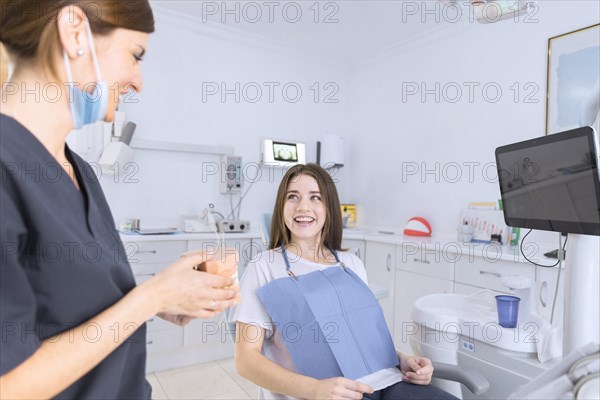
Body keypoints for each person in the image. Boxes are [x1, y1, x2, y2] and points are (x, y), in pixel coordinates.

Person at [0, 1, 239, 398]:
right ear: (75, 34)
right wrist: (152, 297)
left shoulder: (79, 171)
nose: (138, 81)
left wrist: (165, 295)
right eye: (135, 55)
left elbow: (67, 300)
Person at [232, 163, 457, 399]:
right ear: (281, 207)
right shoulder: (264, 266)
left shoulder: (351, 264)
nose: (303, 207)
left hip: (388, 381)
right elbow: (246, 361)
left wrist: (403, 360)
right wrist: (315, 389)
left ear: (329, 207)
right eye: (293, 197)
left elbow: (362, 340)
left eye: (315, 197)